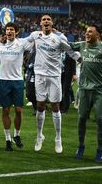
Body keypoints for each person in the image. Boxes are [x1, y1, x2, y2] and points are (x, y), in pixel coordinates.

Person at [25, 14, 80, 154]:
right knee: (40, 105)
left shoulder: (59, 38)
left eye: (48, 19)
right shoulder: (36, 35)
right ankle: (39, 136)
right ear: (40, 23)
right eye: (44, 19)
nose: (46, 21)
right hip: (40, 76)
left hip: (55, 76)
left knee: (56, 106)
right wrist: (4, 41)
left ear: (52, 23)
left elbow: (71, 52)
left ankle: (58, 138)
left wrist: (82, 59)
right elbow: (22, 43)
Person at [71, 25, 102, 163]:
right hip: (84, 89)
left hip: (100, 90)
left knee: (100, 119)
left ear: (97, 35)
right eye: (86, 31)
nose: (86, 33)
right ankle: (81, 146)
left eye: (90, 31)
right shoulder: (82, 45)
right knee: (81, 118)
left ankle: (100, 150)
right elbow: (67, 45)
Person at [0, 22, 32, 151]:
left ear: (16, 32)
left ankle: (17, 135)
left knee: (19, 110)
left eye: (12, 30)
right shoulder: (1, 42)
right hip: (4, 81)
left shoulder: (22, 43)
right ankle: (8, 139)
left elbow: (34, 42)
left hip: (18, 81)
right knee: (6, 111)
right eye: (7, 30)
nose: (9, 32)